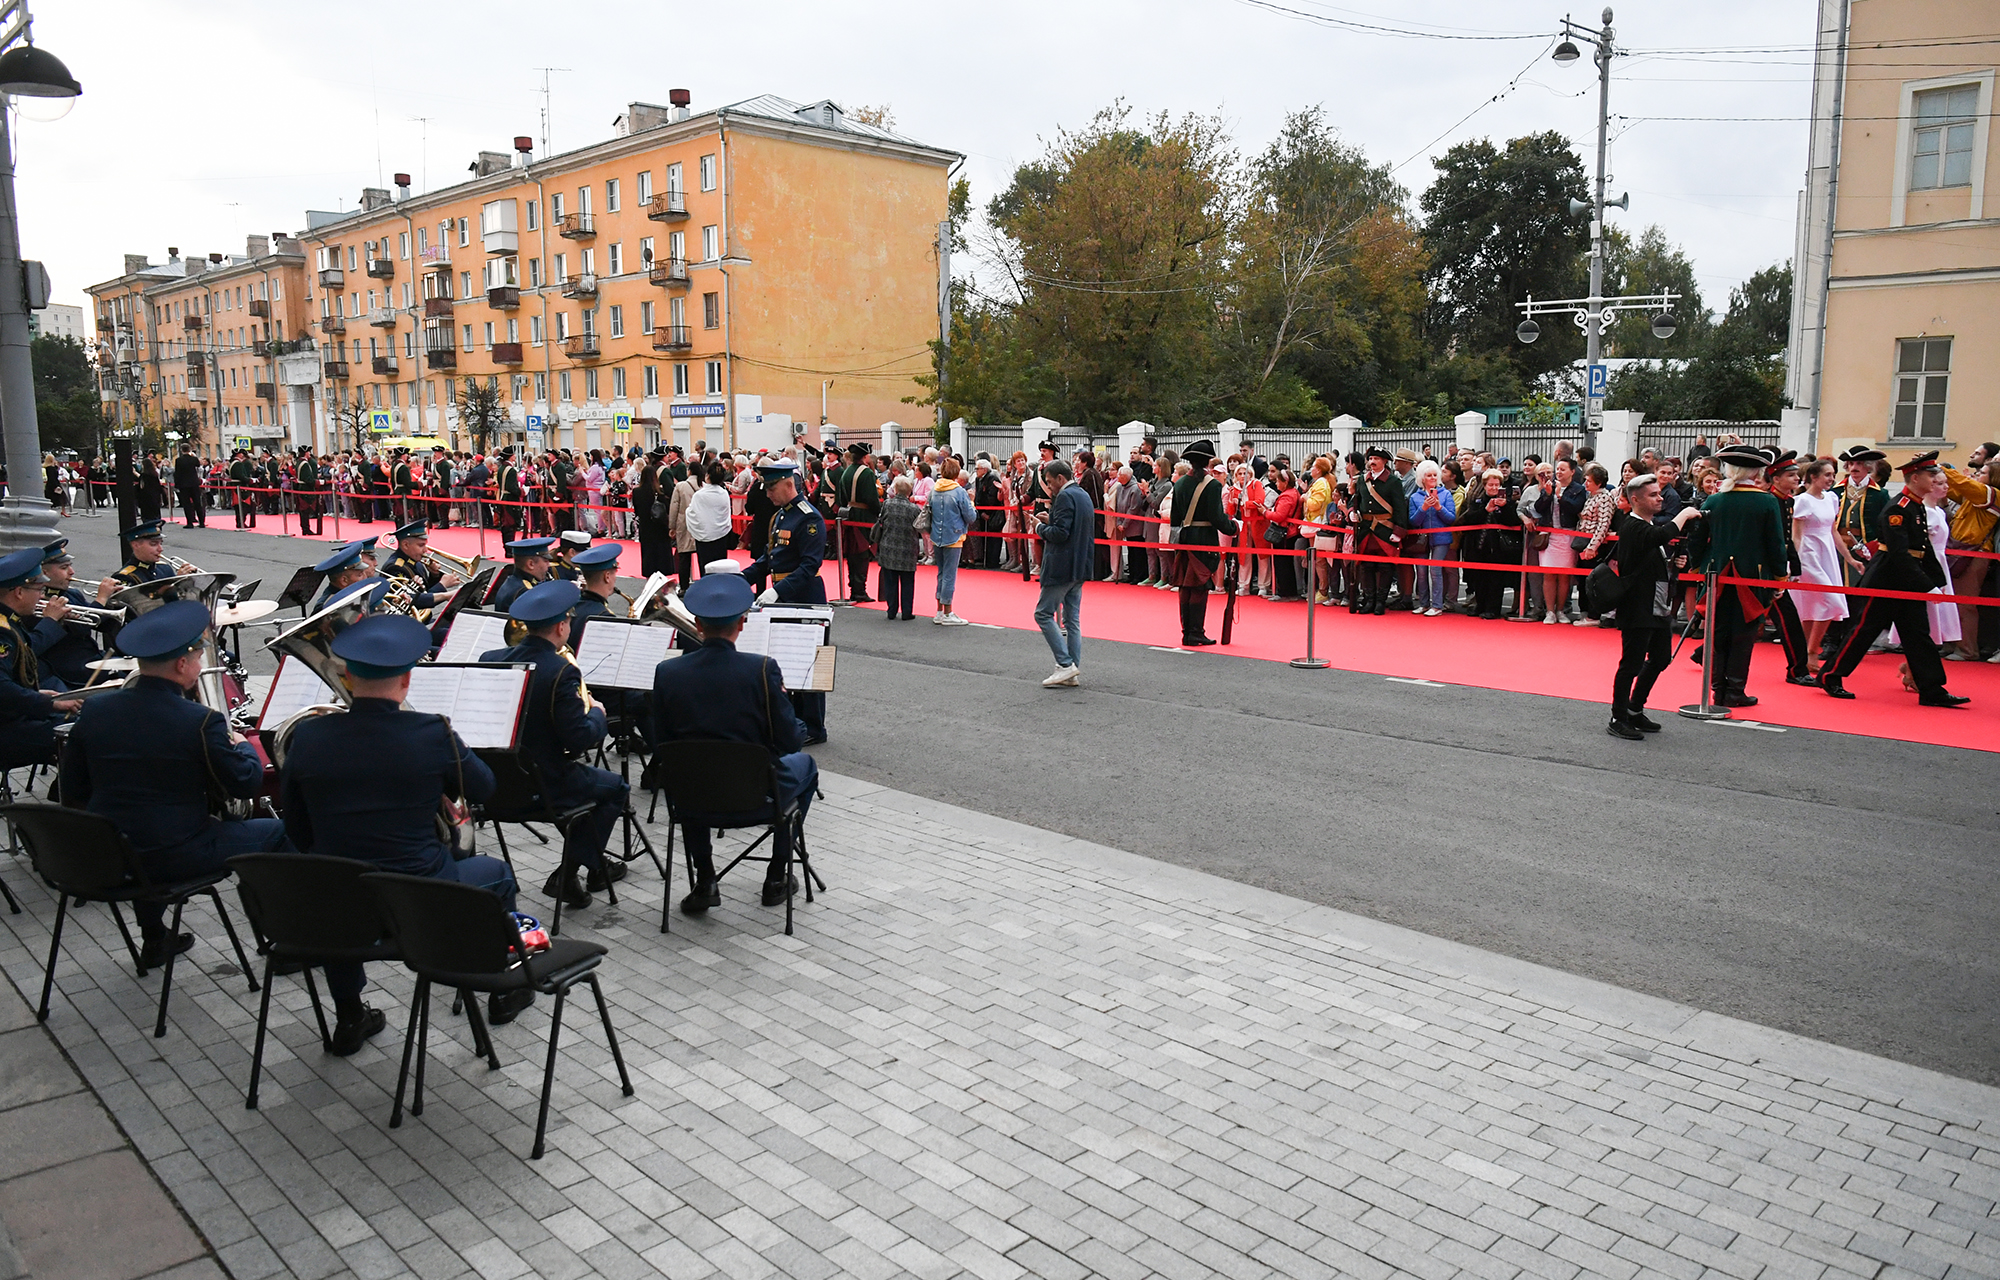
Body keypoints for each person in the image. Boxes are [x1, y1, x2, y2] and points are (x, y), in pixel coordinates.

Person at [279, 614, 521, 1043]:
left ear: (348, 676)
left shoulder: (308, 738)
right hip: (420, 900)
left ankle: (351, 1015)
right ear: (407, 679)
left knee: (339, 881)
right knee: (498, 873)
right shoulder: (432, 732)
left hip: (343, 910)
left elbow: (297, 829)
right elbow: (485, 786)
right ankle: (502, 988)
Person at [58, 600, 287, 966]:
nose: (199, 666)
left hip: (110, 852)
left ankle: (155, 939)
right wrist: (244, 748)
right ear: (182, 664)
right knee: (280, 832)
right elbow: (245, 784)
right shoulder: (200, 720)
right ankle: (287, 941)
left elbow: (72, 788)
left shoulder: (97, 710)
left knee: (143, 828)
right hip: (172, 854)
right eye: (198, 658)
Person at [650, 572, 819, 915]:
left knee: (690, 769)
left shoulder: (668, 673)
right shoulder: (761, 669)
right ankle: (776, 875)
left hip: (692, 800)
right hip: (756, 796)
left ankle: (705, 880)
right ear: (742, 623)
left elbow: (659, 742)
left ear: (696, 623)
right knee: (808, 767)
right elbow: (789, 743)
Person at [480, 580, 630, 908]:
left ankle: (587, 871)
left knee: (590, 793)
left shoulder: (489, 658)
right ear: (562, 626)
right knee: (616, 787)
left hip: (496, 788)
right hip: (545, 786)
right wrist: (599, 715)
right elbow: (579, 740)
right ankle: (569, 871)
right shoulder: (561, 671)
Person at [1820, 453, 1967, 706]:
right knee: (1864, 632)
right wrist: (1927, 585)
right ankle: (1830, 676)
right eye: (1930, 476)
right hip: (1886, 581)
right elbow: (1899, 554)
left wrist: (1937, 580)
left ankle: (1932, 689)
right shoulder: (1897, 508)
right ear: (1915, 478)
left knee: (1918, 635)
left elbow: (1923, 548)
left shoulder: (1915, 504)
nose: (1934, 480)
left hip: (1907, 581)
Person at [1686, 444, 1788, 708]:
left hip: (1715, 574)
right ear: (1755, 472)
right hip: (1751, 577)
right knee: (1743, 634)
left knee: (1718, 632)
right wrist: (1779, 576)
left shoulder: (1715, 499)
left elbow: (1697, 537)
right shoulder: (1766, 501)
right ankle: (1734, 690)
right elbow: (1776, 543)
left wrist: (1696, 566)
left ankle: (1718, 689)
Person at [1606, 475, 1704, 739]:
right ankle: (1618, 716)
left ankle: (1635, 708)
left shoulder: (1647, 526)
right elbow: (1660, 535)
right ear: (1635, 499)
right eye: (1653, 494)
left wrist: (1674, 563)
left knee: (1661, 659)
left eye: (1659, 493)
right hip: (1637, 607)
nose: (1660, 498)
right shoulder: (1632, 526)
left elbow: (1653, 554)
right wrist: (1683, 514)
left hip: (1657, 605)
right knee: (1631, 664)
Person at [740, 457, 830, 743]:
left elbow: (809, 566)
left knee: (807, 663)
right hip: (784, 599)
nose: (767, 494)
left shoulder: (809, 518)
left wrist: (778, 591)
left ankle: (814, 727)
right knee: (786, 663)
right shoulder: (780, 516)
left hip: (805, 597)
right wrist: (740, 579)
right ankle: (794, 721)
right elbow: (769, 559)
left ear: (788, 484)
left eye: (771, 488)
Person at [0, 548, 80, 772]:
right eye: (39, 589)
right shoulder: (3, 631)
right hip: (7, 728)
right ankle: (71, 800)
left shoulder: (9, 622)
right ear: (18, 592)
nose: (42, 596)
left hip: (13, 717)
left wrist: (36, 695)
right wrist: (47, 703)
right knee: (80, 737)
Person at [1167, 440, 1238, 648]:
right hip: (1204, 539)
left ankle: (1187, 631)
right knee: (1199, 586)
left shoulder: (1179, 483)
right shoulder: (1213, 485)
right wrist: (1233, 528)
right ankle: (1196, 632)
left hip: (1184, 539)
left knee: (1185, 588)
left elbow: (1174, 519)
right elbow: (1217, 518)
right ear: (1208, 462)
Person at [1032, 458, 1094, 684]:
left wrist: (1040, 527)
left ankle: (1065, 664)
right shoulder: (1082, 494)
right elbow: (1072, 527)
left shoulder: (1065, 496)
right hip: (1080, 565)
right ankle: (1071, 668)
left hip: (1062, 566)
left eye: (1049, 482)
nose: (1049, 487)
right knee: (1072, 620)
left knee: (1043, 613)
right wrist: (1052, 520)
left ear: (1061, 478)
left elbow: (1060, 534)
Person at [1764, 452, 1822, 687]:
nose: (1797, 479)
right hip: (1767, 573)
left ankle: (1797, 668)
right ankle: (1797, 670)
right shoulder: (1770, 502)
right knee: (1787, 621)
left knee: (1744, 620)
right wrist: (1779, 574)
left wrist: (1794, 566)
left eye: (1797, 474)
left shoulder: (1787, 501)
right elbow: (1771, 541)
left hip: (1777, 569)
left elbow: (1786, 539)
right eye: (1791, 475)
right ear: (1775, 479)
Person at [1938, 457, 1999, 661]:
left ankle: (1967, 650)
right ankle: (1952, 643)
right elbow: (1955, 490)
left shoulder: (1990, 493)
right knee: (1952, 601)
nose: (1976, 475)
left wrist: (1938, 468)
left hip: (1975, 554)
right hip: (1960, 551)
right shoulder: (1978, 495)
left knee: (1965, 603)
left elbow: (1963, 484)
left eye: (1982, 473)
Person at [1791, 457, 1849, 667]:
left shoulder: (1832, 498)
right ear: (1813, 477)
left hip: (1827, 555)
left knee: (1814, 603)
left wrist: (1850, 559)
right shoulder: (1803, 501)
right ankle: (1812, 649)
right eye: (1827, 475)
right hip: (1808, 555)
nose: (1831, 479)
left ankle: (1805, 653)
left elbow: (1833, 531)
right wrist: (1794, 562)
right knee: (1829, 601)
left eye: (1833, 475)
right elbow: (1796, 536)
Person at [27, 540, 103, 690]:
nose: (72, 572)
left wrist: (113, 600)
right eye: (64, 567)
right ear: (44, 573)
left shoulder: (72, 593)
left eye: (70, 566)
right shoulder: (38, 604)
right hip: (70, 670)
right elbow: (81, 631)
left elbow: (100, 624)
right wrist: (101, 599)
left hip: (93, 657)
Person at [1349, 447, 1405, 614]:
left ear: (1385, 462)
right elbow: (1356, 500)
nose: (1372, 462)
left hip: (1384, 529)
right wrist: (1353, 512)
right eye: (1371, 458)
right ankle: (1369, 600)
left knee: (1385, 567)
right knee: (1367, 566)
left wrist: (1399, 530)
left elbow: (1400, 507)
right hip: (1366, 529)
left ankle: (1381, 602)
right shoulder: (1362, 480)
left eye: (1376, 459)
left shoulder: (1393, 482)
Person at [926, 458, 976, 624]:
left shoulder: (934, 489)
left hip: (936, 535)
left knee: (941, 573)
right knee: (949, 574)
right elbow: (970, 516)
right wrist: (973, 502)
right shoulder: (959, 491)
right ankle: (948, 612)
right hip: (954, 536)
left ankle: (939, 611)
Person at [377, 520, 462, 615]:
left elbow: (425, 591)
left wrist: (434, 575)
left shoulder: (415, 561)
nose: (426, 550)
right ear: (405, 545)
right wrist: (442, 585)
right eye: (421, 545)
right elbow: (414, 601)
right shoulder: (395, 567)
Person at [1406, 461, 1455, 616]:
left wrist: (1439, 508)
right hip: (1421, 540)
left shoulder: (1446, 494)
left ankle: (1437, 606)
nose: (1433, 478)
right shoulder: (1415, 497)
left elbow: (1451, 519)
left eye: (1435, 475)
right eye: (1429, 475)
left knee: (1435, 570)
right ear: (1422, 478)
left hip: (1441, 539)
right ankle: (1423, 604)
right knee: (1421, 571)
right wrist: (1424, 508)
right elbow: (1413, 521)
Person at [832, 442, 879, 602]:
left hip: (849, 515)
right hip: (863, 517)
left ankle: (855, 587)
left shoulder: (846, 472)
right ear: (865, 456)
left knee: (853, 553)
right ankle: (859, 590)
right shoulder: (866, 473)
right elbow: (872, 499)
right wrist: (877, 513)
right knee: (862, 553)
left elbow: (842, 498)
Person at [872, 476, 920, 621]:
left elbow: (881, 521)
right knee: (907, 583)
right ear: (909, 492)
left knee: (890, 581)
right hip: (908, 549)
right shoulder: (914, 508)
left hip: (889, 548)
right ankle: (907, 612)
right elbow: (919, 527)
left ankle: (891, 610)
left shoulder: (887, 504)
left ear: (896, 490)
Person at [99, 519, 180, 604]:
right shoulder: (126, 577)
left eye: (161, 543)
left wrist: (182, 582)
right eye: (153, 544)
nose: (160, 549)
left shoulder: (164, 568)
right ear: (136, 545)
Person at [685, 461, 735, 571]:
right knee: (720, 568)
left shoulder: (699, 495)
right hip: (721, 535)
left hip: (704, 537)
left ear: (707, 476)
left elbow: (691, 513)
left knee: (705, 568)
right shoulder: (724, 493)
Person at [490, 536, 554, 613]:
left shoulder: (514, 582)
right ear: (531, 564)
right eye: (545, 561)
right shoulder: (524, 593)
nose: (548, 565)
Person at [173, 445, 205, 529]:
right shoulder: (193, 459)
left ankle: (189, 522)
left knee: (187, 504)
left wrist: (177, 485)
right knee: (197, 503)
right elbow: (198, 464)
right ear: (189, 450)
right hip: (194, 483)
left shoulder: (179, 460)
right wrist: (193, 455)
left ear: (181, 450)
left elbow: (177, 473)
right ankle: (202, 522)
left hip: (184, 484)